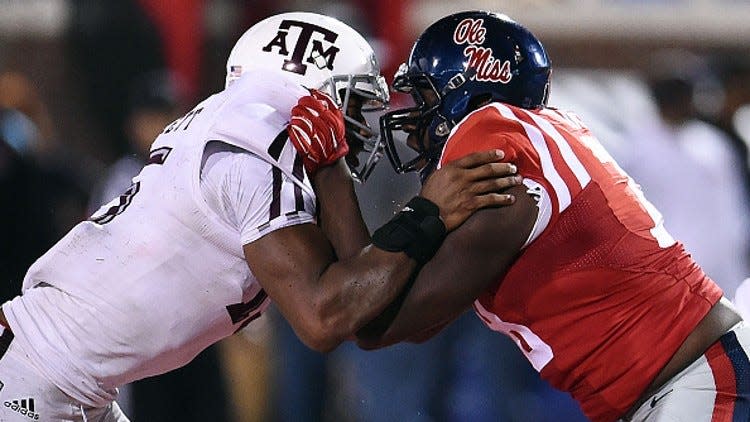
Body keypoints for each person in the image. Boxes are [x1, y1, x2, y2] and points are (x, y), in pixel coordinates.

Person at [0, 12, 520, 421]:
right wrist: (429, 211)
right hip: (41, 381)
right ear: (312, 95)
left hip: (62, 379)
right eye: (354, 106)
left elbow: (360, 286)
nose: (364, 127)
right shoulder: (251, 151)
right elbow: (324, 318)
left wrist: (337, 174)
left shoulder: (245, 133)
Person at [294, 11, 750, 422]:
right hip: (686, 382)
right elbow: (374, 310)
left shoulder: (503, 166)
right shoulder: (534, 143)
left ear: (467, 96)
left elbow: (374, 320)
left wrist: (338, 177)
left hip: (699, 380)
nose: (413, 128)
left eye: (425, 99)